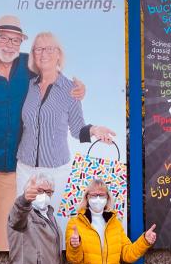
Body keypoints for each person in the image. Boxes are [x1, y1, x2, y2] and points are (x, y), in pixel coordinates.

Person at [0, 17, 84, 251]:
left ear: (22, 44)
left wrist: (80, 88)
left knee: (5, 225)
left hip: (12, 161)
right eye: (4, 38)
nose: (9, 45)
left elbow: (53, 75)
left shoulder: (27, 67)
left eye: (16, 40)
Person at [15, 32, 115, 227]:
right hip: (25, 169)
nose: (43, 53)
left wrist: (94, 129)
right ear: (33, 55)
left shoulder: (71, 89)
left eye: (49, 48)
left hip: (56, 172)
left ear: (59, 54)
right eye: (38, 49)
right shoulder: (27, 86)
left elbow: (77, 129)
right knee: (26, 224)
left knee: (55, 226)